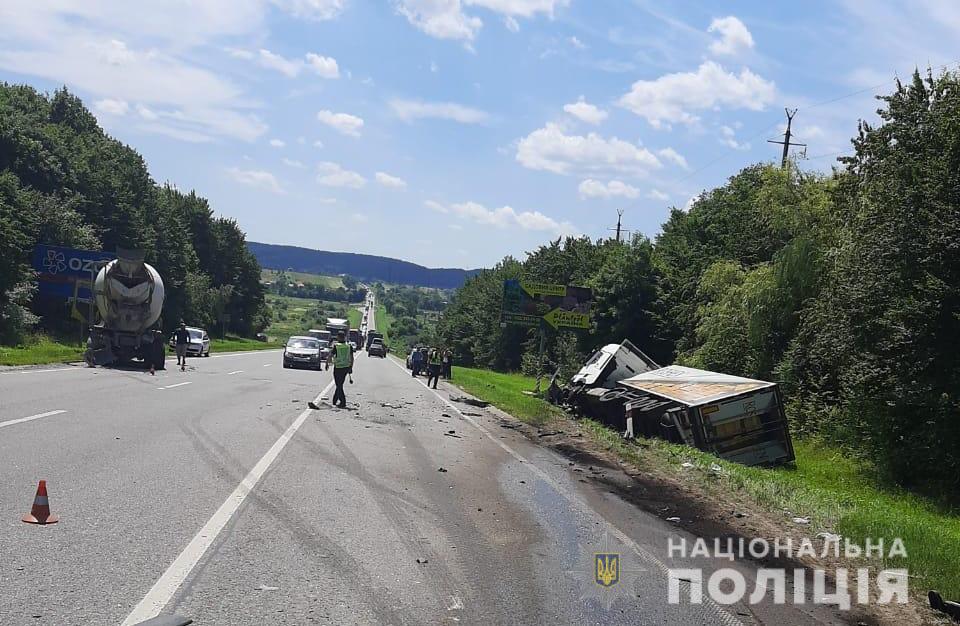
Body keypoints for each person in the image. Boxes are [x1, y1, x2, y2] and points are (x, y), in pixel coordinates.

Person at [325, 331, 354, 409]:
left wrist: (327, 363)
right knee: (339, 384)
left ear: (338, 337)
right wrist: (351, 367)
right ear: (344, 337)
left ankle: (343, 402)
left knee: (339, 385)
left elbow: (330, 355)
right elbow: (352, 358)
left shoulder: (336, 346)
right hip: (346, 368)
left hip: (338, 368)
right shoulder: (349, 346)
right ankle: (334, 400)